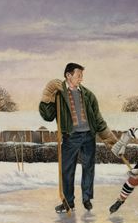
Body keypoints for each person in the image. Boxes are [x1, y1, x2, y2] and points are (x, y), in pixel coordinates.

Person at [39, 62, 116, 213]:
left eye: (82, 75)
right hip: (70, 137)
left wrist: (110, 140)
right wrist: (48, 94)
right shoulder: (58, 95)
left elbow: (98, 119)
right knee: (67, 170)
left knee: (88, 168)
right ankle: (68, 202)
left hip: (89, 136)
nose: (81, 79)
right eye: (78, 75)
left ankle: (87, 198)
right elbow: (47, 116)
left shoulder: (88, 95)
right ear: (68, 75)